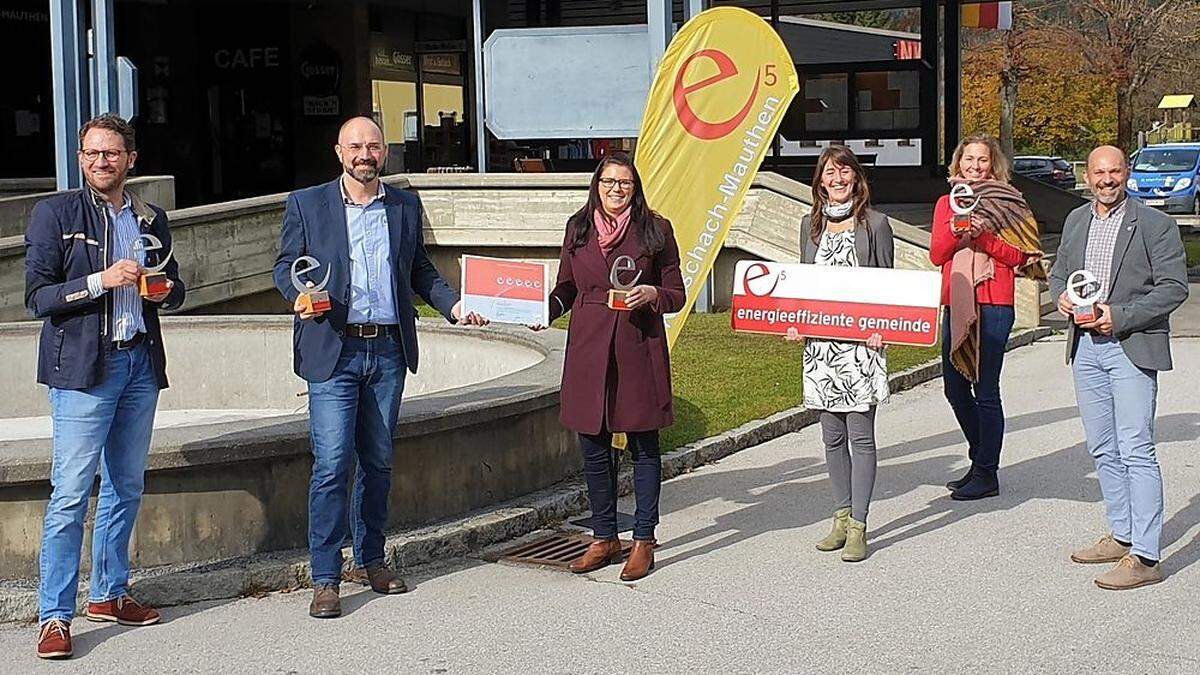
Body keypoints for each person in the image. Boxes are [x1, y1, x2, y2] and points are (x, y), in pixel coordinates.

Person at [273, 116, 486, 619]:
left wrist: (453, 306)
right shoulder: (307, 204)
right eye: (355, 146)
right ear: (338, 152)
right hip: (334, 349)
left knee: (379, 462)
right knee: (330, 465)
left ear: (384, 152)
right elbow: (286, 267)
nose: (364, 154)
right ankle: (326, 577)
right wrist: (297, 294)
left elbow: (420, 271)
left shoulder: (404, 205)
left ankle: (372, 558)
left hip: (387, 349)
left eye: (372, 146)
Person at [25, 113, 185, 659]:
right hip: (84, 372)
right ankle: (54, 616)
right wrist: (100, 280)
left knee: (126, 485)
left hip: (138, 362)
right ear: (80, 158)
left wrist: (165, 292)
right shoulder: (55, 213)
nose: (102, 162)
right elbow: (38, 297)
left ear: (130, 160)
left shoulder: (150, 217)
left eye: (112, 153)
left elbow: (176, 282)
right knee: (70, 494)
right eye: (93, 153)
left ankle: (110, 594)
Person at [534, 152, 685, 581]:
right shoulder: (577, 228)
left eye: (625, 183)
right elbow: (566, 287)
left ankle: (643, 539)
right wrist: (545, 309)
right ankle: (604, 536)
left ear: (635, 189)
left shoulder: (656, 230)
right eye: (608, 182)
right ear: (596, 186)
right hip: (588, 347)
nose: (616, 190)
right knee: (594, 445)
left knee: (643, 444)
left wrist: (653, 293)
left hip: (637, 345)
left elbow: (677, 292)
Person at [1050, 146, 1187, 590]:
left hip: (1130, 346)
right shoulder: (1076, 221)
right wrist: (1061, 299)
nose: (1107, 179)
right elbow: (1058, 274)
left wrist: (1120, 316)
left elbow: (1173, 288)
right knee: (1102, 447)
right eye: (1099, 172)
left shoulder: (1155, 224)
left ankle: (1146, 556)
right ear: (1086, 176)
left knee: (1135, 448)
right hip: (1086, 349)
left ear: (1126, 173)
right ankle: (1122, 533)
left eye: (1115, 171)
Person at [929, 133, 1044, 501]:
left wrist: (984, 237)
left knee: (986, 388)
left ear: (993, 164)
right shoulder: (947, 203)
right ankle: (981, 459)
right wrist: (958, 231)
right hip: (958, 302)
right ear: (958, 163)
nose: (975, 166)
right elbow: (937, 254)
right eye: (969, 159)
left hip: (994, 303)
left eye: (982, 160)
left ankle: (986, 472)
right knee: (954, 387)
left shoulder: (1010, 203)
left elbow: (1023, 257)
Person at [793, 145, 894, 562]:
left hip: (861, 348)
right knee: (831, 437)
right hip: (821, 349)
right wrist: (796, 324)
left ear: (856, 177)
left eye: (844, 171)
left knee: (861, 437)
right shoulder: (809, 226)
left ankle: (860, 526)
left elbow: (888, 287)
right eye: (829, 173)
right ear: (819, 181)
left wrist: (882, 329)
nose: (836, 179)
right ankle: (840, 515)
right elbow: (801, 283)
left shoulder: (875, 224)